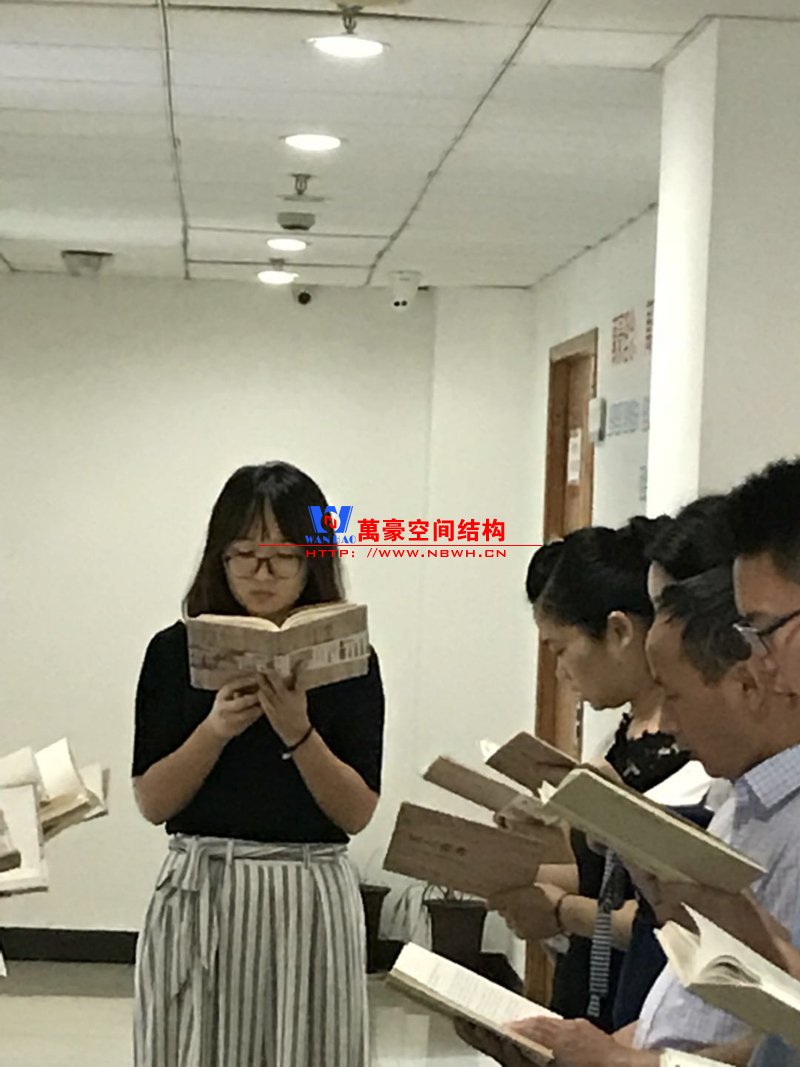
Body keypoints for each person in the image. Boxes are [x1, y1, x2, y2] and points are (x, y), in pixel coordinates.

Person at [131, 461, 386, 1067]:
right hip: (204, 886)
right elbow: (153, 801)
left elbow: (356, 813)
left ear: (313, 559)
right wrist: (215, 730)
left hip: (308, 892)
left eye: (282, 557)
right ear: (219, 557)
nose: (262, 574)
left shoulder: (350, 660)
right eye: (244, 555)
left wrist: (299, 731)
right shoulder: (173, 652)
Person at [512, 564, 800, 1066]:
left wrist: (617, 1060)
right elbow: (689, 1008)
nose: (665, 722)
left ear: (746, 684)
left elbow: (774, 1043)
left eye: (674, 695)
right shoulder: (742, 803)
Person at [490, 520, 691, 1030]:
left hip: (644, 1010)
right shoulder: (619, 740)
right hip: (592, 999)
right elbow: (603, 878)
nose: (560, 672)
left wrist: (562, 912)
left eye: (561, 650)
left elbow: (675, 919)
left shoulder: (703, 761)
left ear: (620, 631)